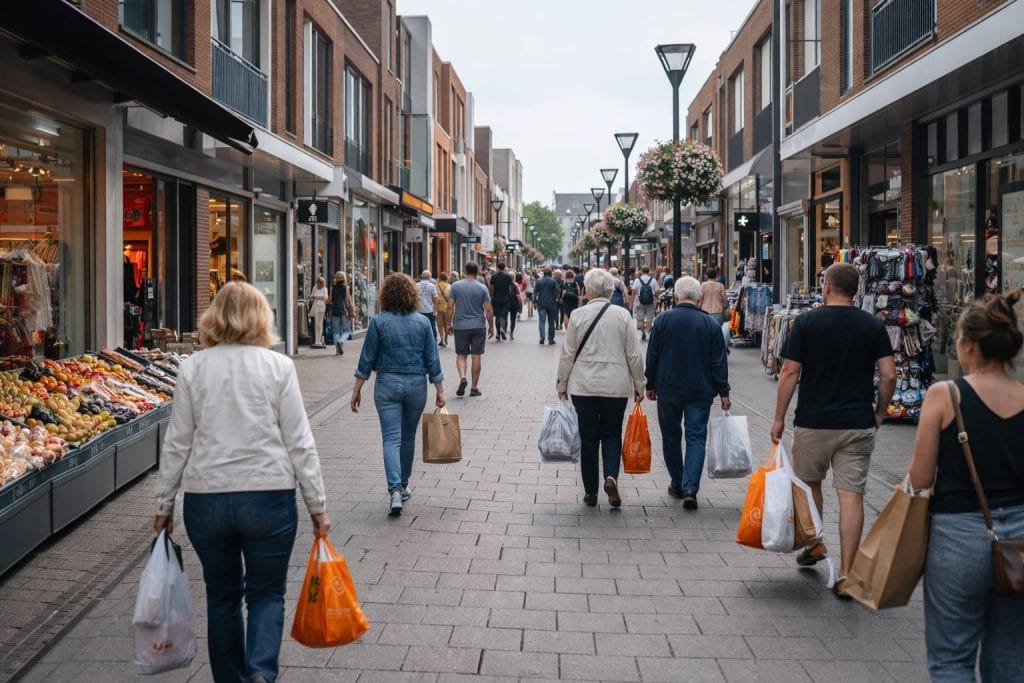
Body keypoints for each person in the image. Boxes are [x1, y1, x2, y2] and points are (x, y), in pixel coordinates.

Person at [154, 282, 328, 683]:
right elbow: (299, 441)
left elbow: (177, 442)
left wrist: (164, 504)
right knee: (267, 593)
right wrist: (317, 505)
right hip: (268, 497)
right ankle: (261, 673)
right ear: (261, 316)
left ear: (213, 317)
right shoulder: (278, 366)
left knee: (222, 595)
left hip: (207, 499)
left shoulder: (193, 368)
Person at [907, 291, 1024, 680]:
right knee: (1010, 660)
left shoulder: (945, 395)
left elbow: (921, 478)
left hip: (957, 537)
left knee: (951, 659)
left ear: (970, 346)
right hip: (1020, 540)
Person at [770, 262, 897, 596]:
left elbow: (789, 372)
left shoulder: (806, 322)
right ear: (856, 290)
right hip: (857, 422)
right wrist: (880, 412)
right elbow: (889, 374)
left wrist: (779, 418)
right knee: (851, 495)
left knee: (811, 484)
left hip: (813, 421)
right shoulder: (873, 325)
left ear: (827, 286)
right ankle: (846, 574)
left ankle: (816, 543)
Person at [352, 274, 445, 516]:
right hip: (416, 385)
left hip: (387, 384)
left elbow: (367, 358)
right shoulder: (423, 323)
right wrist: (440, 389)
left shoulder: (378, 322)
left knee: (391, 438)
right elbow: (432, 359)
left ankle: (394, 490)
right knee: (408, 437)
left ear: (385, 295)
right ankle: (403, 485)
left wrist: (357, 389)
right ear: (412, 295)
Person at [557, 269, 646, 508]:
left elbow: (567, 353)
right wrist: (639, 384)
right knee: (611, 433)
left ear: (588, 291)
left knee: (588, 437)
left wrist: (562, 383)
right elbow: (634, 354)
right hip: (615, 386)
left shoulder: (577, 315)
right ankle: (611, 477)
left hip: (584, 386)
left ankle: (590, 492)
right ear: (609, 290)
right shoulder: (623, 315)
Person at [645, 276, 731, 510]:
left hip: (668, 389)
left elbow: (652, 355)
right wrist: (724, 391)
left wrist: (650, 384)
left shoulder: (662, 321)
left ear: (675, 296)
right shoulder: (710, 324)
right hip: (700, 389)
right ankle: (690, 487)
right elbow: (718, 362)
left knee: (671, 436)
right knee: (696, 438)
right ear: (699, 297)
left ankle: (677, 482)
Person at [447, 262, 495, 397]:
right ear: (477, 271)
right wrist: (491, 326)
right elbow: (488, 309)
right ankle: (474, 388)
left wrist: (448, 324)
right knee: (476, 355)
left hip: (461, 326)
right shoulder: (482, 288)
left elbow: (450, 307)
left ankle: (463, 377)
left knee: (461, 355)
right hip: (478, 326)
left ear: (465, 270)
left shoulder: (456, 286)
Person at [328, 271, 354, 355]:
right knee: (347, 331)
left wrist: (326, 300)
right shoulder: (346, 288)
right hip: (344, 311)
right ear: (344, 279)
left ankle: (337, 351)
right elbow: (349, 301)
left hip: (335, 311)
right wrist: (353, 308)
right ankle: (341, 341)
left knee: (336, 331)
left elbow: (329, 300)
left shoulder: (332, 288)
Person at [534, 267, 560, 345]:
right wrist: (558, 298)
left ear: (544, 273)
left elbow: (535, 292)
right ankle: (551, 339)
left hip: (541, 303)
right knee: (551, 321)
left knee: (542, 321)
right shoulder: (553, 281)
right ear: (550, 273)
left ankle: (542, 336)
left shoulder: (538, 281)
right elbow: (558, 290)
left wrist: (534, 301)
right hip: (551, 303)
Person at [489, 262, 513, 342]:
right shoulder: (508, 276)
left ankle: (498, 333)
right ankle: (502, 329)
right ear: (504, 268)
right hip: (506, 299)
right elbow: (510, 287)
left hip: (496, 298)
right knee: (504, 315)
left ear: (497, 268)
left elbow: (491, 288)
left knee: (497, 316)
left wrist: (492, 295)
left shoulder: (494, 276)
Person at [633, 265, 659, 341]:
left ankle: (643, 332)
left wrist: (632, 303)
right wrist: (657, 299)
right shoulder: (653, 280)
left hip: (639, 302)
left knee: (640, 319)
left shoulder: (637, 280)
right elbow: (657, 292)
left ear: (641, 271)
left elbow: (634, 291)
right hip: (650, 302)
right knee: (649, 319)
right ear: (649, 271)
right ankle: (648, 333)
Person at [416, 270, 439, 341]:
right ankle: (434, 340)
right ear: (430, 276)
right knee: (432, 326)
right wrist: (435, 309)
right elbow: (435, 298)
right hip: (430, 310)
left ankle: (421, 339)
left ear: (422, 276)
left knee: (420, 326)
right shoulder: (431, 286)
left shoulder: (417, 285)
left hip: (420, 310)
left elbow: (415, 297)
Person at [308, 276, 329, 348]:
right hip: (316, 305)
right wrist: (314, 297)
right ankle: (316, 341)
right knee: (316, 323)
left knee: (320, 324)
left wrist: (316, 297)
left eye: (320, 283)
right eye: (318, 283)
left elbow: (325, 298)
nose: (319, 285)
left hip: (322, 306)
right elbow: (311, 296)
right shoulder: (314, 288)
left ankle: (319, 340)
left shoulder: (325, 289)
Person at [436, 272, 452, 348]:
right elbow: (451, 298)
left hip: (439, 308)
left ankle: (441, 339)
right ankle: (446, 338)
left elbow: (435, 296)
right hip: (447, 308)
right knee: (446, 324)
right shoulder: (449, 286)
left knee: (440, 324)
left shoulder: (437, 285)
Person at [509, 271, 525, 340]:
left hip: (506, 303)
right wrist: (520, 303)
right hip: (514, 303)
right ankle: (511, 333)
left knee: (504, 316)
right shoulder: (515, 284)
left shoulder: (505, 284)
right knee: (513, 319)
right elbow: (518, 295)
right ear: (514, 277)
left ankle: (503, 329)